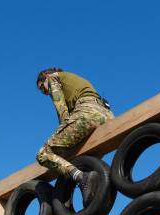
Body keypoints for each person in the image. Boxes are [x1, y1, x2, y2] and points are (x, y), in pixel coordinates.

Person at [35, 68, 115, 205]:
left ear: (45, 76)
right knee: (84, 157)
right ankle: (94, 190)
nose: (45, 93)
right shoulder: (73, 80)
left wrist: (61, 131)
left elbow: (62, 111)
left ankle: (81, 178)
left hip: (87, 113)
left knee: (43, 154)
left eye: (42, 88)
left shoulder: (53, 78)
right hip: (107, 115)